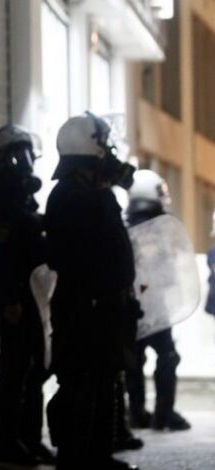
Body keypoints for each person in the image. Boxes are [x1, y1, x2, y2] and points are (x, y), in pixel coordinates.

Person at [44, 112, 140, 470]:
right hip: (85, 309)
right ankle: (76, 459)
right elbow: (88, 253)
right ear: (90, 151)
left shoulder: (85, 192)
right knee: (82, 384)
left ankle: (97, 456)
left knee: (101, 382)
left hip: (100, 307)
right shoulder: (74, 196)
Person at [0, 124, 53, 465]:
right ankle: (5, 442)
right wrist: (9, 301)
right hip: (15, 298)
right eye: (17, 155)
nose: (25, 162)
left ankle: (29, 438)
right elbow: (3, 259)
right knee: (14, 371)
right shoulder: (1, 204)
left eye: (27, 154)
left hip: (32, 295)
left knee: (34, 370)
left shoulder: (21, 200)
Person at [123, 169, 191, 431]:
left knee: (134, 360)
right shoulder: (157, 229)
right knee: (167, 356)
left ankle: (137, 412)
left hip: (132, 305)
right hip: (154, 305)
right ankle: (164, 413)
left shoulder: (127, 226)